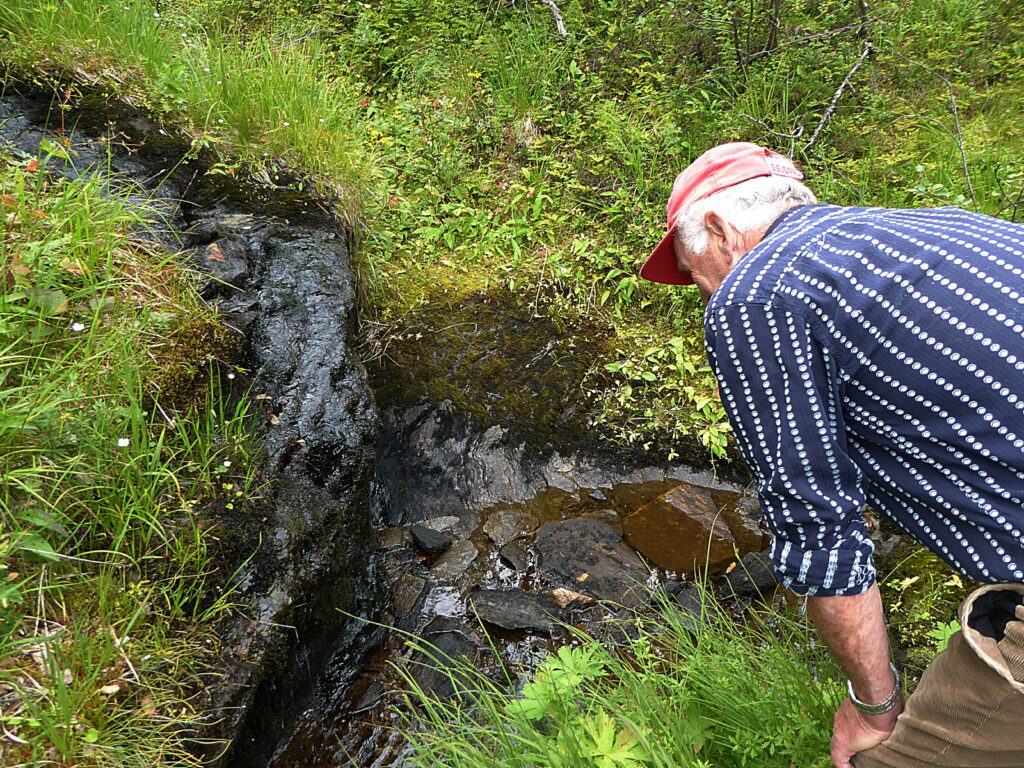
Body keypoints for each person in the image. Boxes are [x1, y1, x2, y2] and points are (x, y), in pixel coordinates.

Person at [639, 142, 1024, 768]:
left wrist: (874, 706)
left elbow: (821, 533)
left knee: (890, 760)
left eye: (693, 269)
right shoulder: (945, 228)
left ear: (721, 229)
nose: (702, 292)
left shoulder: (756, 294)